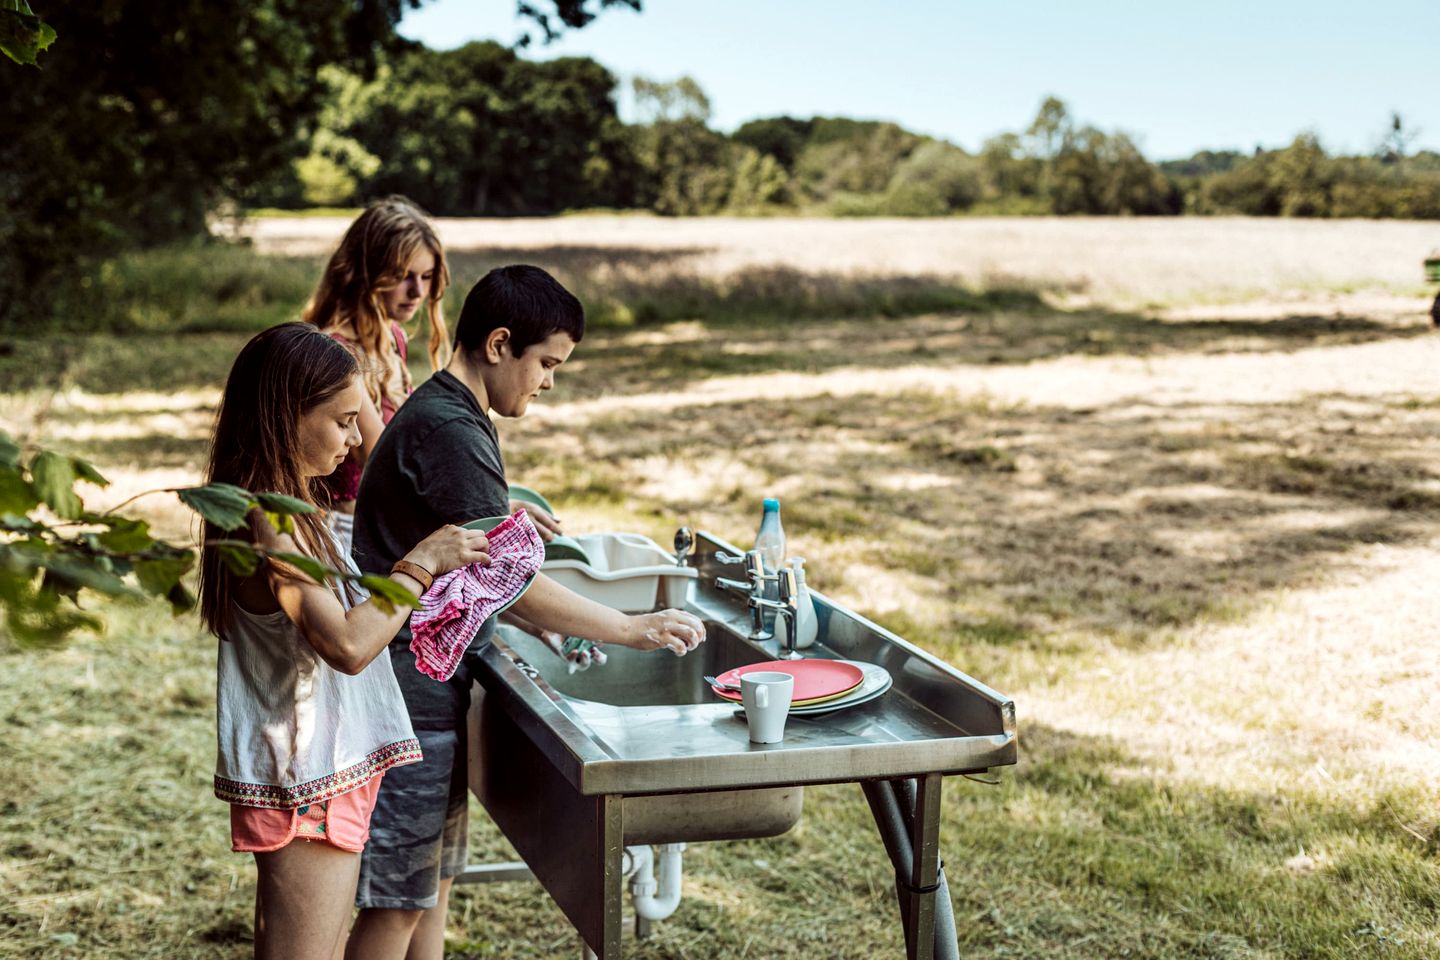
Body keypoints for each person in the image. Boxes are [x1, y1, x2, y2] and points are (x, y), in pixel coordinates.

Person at [345, 266, 706, 959]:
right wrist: (631, 627)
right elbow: (506, 573)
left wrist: (516, 605)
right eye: (547, 363)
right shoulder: (450, 428)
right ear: (499, 343)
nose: (548, 382)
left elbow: (469, 569)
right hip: (405, 699)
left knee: (427, 892)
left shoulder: (451, 414)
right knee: (396, 905)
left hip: (422, 693)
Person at [197, 322, 492, 960]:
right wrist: (423, 561)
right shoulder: (271, 522)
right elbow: (350, 646)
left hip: (326, 777)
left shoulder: (290, 510)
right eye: (343, 420)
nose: (358, 440)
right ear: (286, 416)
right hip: (307, 782)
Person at [304, 196, 564, 553]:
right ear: (365, 273)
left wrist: (484, 503)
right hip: (350, 535)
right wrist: (488, 512)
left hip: (393, 521)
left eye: (426, 277)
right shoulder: (339, 352)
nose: (418, 292)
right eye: (402, 277)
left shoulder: (392, 337)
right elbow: (383, 456)